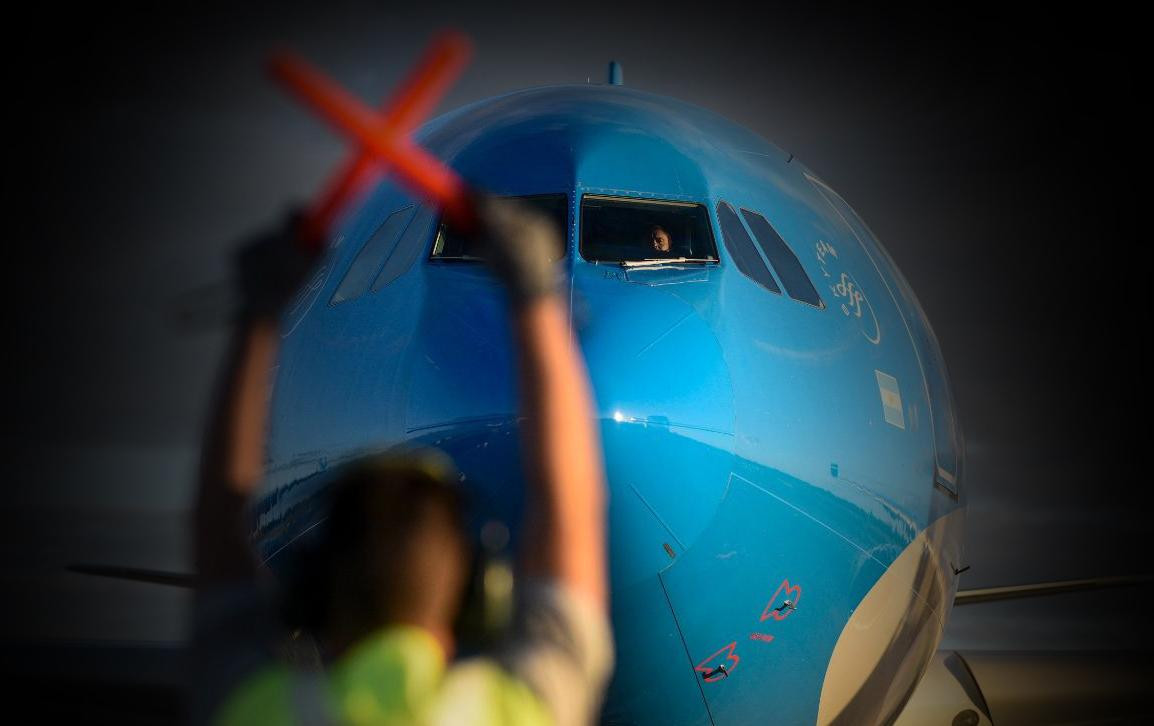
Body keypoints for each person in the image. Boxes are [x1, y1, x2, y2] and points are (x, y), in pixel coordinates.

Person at [192, 195, 612, 725]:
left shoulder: (260, 711)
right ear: (476, 595)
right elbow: (568, 511)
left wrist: (256, 313)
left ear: (311, 591)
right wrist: (535, 293)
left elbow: (217, 544)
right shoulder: (509, 711)